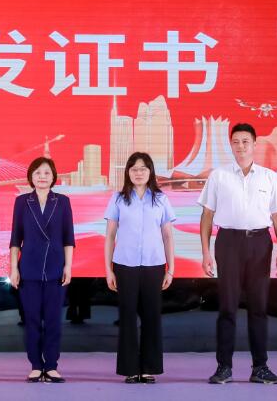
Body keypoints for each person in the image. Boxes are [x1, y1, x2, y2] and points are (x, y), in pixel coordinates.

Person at [198, 122, 277, 385]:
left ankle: (260, 367)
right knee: (227, 307)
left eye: (245, 141)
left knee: (258, 307)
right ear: (231, 145)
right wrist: (205, 252)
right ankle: (224, 367)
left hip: (260, 242)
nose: (240, 146)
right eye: (236, 142)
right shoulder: (219, 176)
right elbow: (207, 216)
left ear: (255, 144)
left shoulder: (269, 177)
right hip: (228, 242)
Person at [103, 152, 176, 383]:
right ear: (128, 172)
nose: (138, 172)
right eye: (134, 168)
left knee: (152, 316)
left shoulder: (161, 199)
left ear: (150, 172)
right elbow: (110, 235)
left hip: (154, 265)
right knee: (127, 317)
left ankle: (148, 368)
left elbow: (167, 236)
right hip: (125, 265)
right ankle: (130, 369)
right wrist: (108, 269)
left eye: (143, 168)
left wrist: (170, 269)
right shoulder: (118, 199)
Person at [9, 156, 75, 383]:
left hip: (56, 267)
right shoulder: (22, 202)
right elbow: (15, 239)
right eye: (37, 173)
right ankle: (36, 365)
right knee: (32, 320)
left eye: (47, 173)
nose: (42, 177)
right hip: (29, 267)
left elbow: (68, 238)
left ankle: (52, 366)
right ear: (31, 176)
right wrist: (14, 268)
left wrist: (68, 266)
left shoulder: (63, 201)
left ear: (53, 176)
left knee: (54, 320)